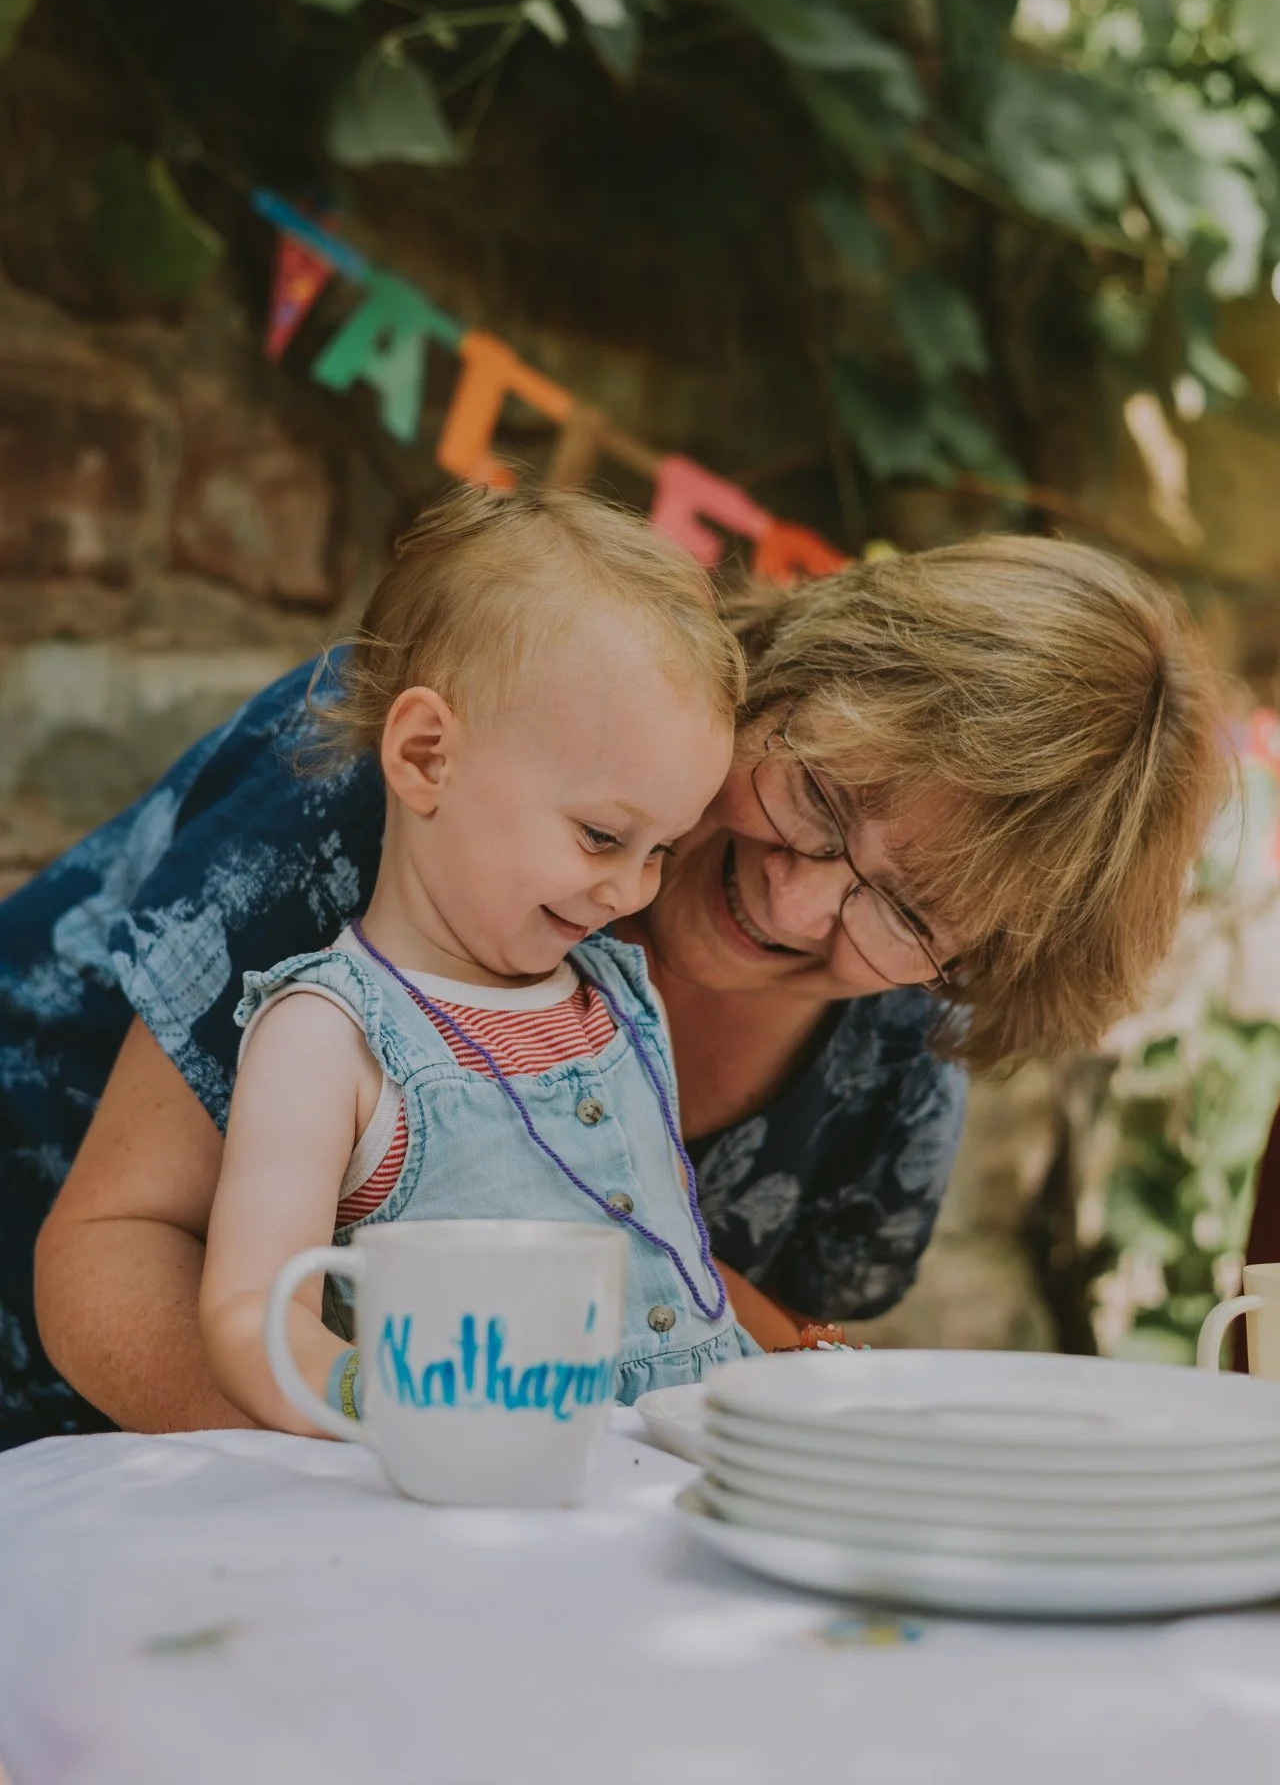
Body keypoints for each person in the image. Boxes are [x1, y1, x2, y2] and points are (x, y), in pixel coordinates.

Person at [5, 529, 1228, 1447]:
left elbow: (680, 1309)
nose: (795, 907)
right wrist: (409, 1502)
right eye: (819, 799)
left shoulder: (890, 1054)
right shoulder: (457, 765)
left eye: (908, 914)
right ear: (791, 678)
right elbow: (111, 1252)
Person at [195, 484, 753, 1429]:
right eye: (601, 835)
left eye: (660, 850)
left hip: (686, 1472)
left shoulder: (617, 993)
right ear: (425, 758)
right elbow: (253, 1311)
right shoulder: (331, 1038)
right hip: (492, 1494)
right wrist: (394, 1403)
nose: (631, 892)